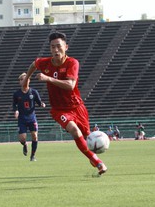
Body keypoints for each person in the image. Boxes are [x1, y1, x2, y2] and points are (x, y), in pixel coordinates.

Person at [23, 31, 107, 175]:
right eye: (52, 47)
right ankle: (98, 161)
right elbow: (34, 64)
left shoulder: (72, 63)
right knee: (74, 130)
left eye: (59, 46)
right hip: (59, 110)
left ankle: (90, 156)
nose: (56, 50)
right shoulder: (45, 63)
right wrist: (27, 79)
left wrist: (48, 79)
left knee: (87, 137)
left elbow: (70, 85)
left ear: (66, 47)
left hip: (77, 107)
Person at [13, 72, 46, 161]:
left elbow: (39, 102)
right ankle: (25, 144)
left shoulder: (34, 92)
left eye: (25, 79)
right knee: (22, 138)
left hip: (32, 117)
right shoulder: (17, 94)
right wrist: (16, 110)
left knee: (34, 136)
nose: (23, 81)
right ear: (19, 82)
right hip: (22, 119)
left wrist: (42, 104)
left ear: (28, 81)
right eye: (21, 80)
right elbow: (14, 105)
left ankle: (32, 156)